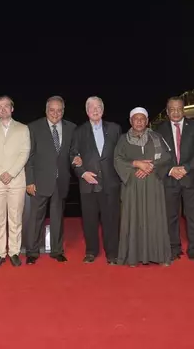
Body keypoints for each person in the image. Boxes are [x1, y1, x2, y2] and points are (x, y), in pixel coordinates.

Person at [114, 107, 172, 267]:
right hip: (132, 186)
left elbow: (167, 157)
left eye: (142, 119)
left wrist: (150, 166)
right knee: (133, 219)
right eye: (136, 119)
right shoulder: (123, 140)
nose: (139, 122)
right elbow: (117, 160)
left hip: (153, 185)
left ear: (147, 121)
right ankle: (133, 256)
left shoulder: (157, 137)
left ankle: (159, 255)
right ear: (131, 121)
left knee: (155, 218)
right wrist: (135, 163)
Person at [24, 96, 77, 264]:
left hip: (61, 181)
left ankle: (56, 250)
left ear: (63, 111)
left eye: (59, 110)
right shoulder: (33, 127)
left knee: (57, 218)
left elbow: (73, 152)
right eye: (52, 110)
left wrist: (78, 158)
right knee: (35, 218)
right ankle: (32, 252)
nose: (55, 113)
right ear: (46, 110)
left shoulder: (72, 128)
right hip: (39, 182)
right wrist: (29, 181)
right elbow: (29, 157)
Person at [69, 96, 122, 264]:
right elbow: (73, 155)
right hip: (88, 183)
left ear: (103, 109)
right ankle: (91, 251)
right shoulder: (79, 131)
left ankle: (112, 253)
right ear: (86, 111)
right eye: (91, 107)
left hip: (110, 183)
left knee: (111, 220)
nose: (95, 110)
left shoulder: (115, 129)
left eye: (98, 107)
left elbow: (121, 154)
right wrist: (82, 173)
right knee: (89, 220)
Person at [0, 95, 30, 268]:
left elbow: (25, 152)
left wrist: (12, 173)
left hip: (17, 180)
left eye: (6, 106)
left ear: (12, 108)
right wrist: (1, 173)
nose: (3, 109)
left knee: (16, 218)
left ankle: (14, 252)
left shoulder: (23, 129)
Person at [157, 96, 194, 263]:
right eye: (172, 109)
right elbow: (157, 155)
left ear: (183, 110)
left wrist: (185, 168)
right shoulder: (159, 129)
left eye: (179, 109)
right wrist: (170, 169)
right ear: (167, 111)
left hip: (191, 177)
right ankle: (173, 248)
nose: (176, 112)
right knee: (170, 216)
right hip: (169, 179)